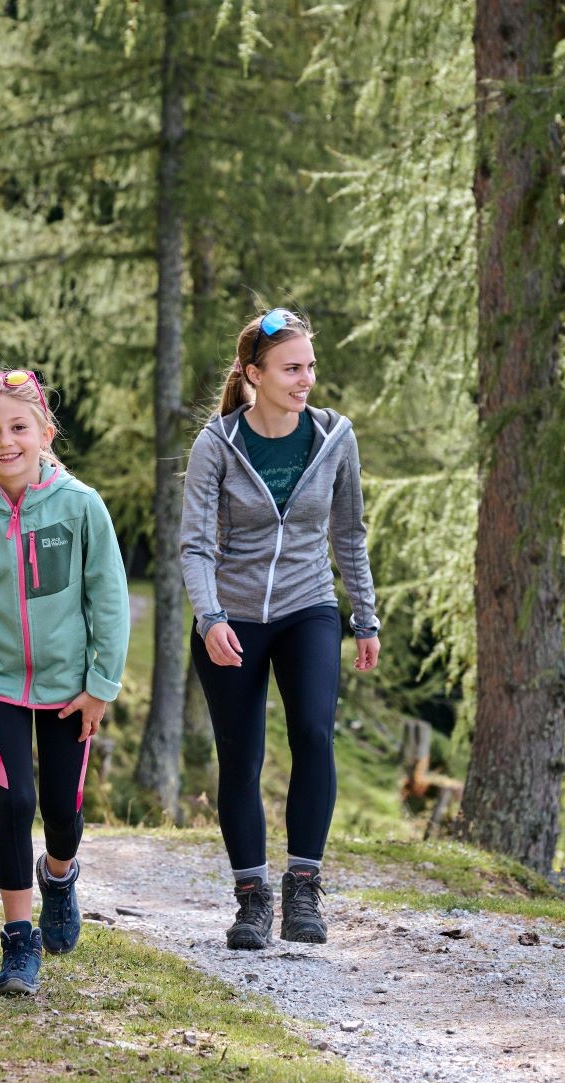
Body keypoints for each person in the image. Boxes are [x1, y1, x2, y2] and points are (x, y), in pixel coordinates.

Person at [180, 307, 380, 949]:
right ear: (253, 374)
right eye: (293, 369)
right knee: (241, 757)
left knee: (316, 734)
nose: (306, 380)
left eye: (310, 367)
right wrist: (209, 618)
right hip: (231, 618)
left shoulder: (334, 437)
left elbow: (348, 533)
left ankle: (303, 890)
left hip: (308, 607)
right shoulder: (218, 443)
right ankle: (251, 900)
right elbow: (195, 546)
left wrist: (365, 616)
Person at [0, 370, 130, 995]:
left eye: (19, 428)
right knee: (14, 803)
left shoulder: (81, 505)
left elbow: (111, 600)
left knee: (61, 810)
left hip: (72, 687)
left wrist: (101, 683)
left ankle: (60, 876)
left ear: (45, 433)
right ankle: (19, 942)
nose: (6, 441)